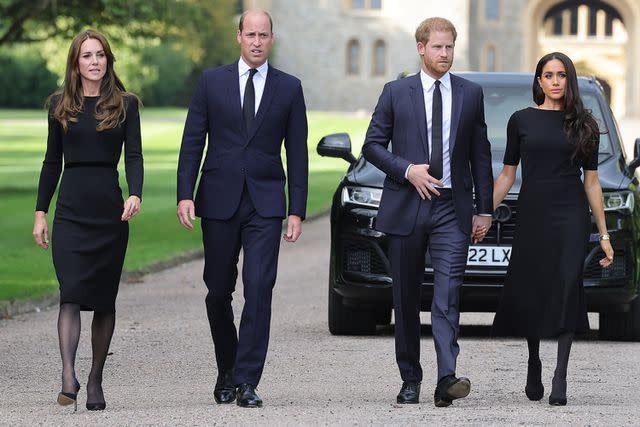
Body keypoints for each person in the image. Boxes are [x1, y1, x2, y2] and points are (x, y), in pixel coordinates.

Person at [176, 9, 308, 408]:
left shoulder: (289, 88)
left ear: (272, 38)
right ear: (239, 37)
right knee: (217, 291)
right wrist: (185, 194)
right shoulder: (211, 82)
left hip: (266, 203)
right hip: (217, 199)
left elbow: (297, 154)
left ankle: (248, 380)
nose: (256, 41)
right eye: (250, 34)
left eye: (263, 35)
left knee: (259, 288)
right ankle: (227, 368)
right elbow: (192, 141)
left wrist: (296, 209)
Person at [362, 17, 493, 407]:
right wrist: (407, 169)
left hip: (452, 208)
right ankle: (410, 378)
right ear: (421, 48)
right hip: (408, 204)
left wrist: (483, 209)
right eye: (438, 47)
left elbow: (480, 155)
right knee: (404, 297)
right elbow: (372, 145)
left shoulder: (471, 94)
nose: (445, 54)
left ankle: (447, 377)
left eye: (450, 47)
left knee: (448, 294)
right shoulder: (395, 92)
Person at [488, 52, 614, 406]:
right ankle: (534, 359)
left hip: (571, 215)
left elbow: (592, 183)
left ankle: (561, 374)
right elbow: (507, 175)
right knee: (534, 286)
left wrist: (603, 235)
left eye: (561, 75)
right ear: (539, 81)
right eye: (548, 75)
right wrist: (483, 214)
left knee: (566, 285)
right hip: (533, 212)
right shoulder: (521, 120)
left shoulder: (585, 124)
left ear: (569, 80)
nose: (555, 81)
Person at [33, 30, 143, 411]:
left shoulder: (126, 104)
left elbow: (135, 157)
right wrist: (40, 212)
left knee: (103, 300)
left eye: (100, 55)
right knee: (70, 293)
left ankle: (95, 379)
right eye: (86, 56)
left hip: (109, 213)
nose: (94, 61)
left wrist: (135, 193)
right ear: (75, 62)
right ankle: (69, 377)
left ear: (108, 60)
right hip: (70, 212)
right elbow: (51, 163)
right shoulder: (58, 105)